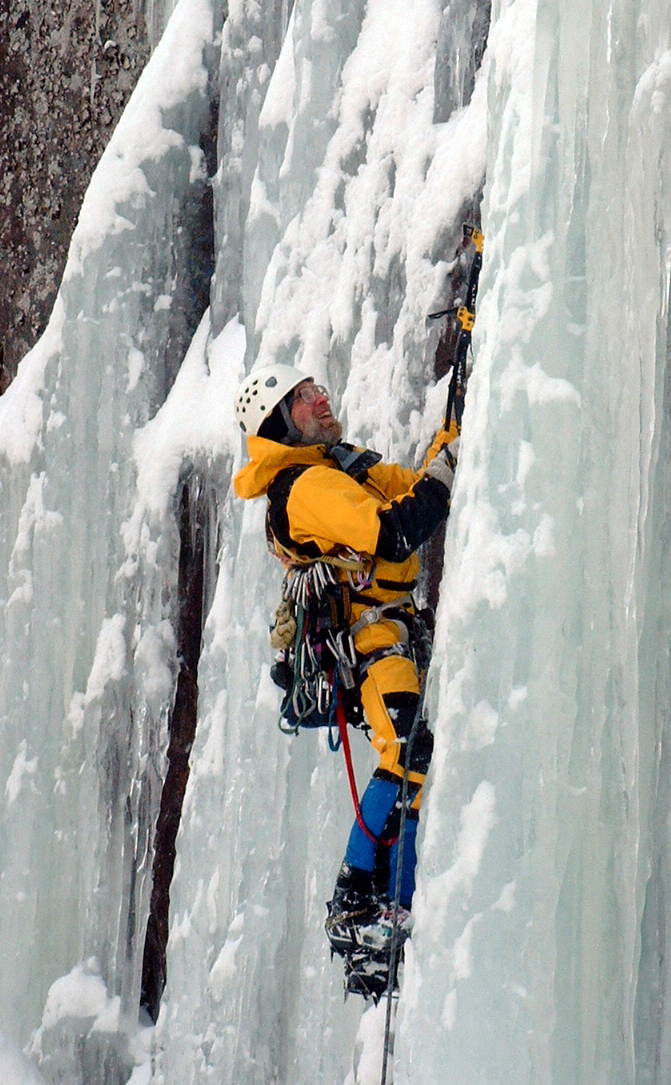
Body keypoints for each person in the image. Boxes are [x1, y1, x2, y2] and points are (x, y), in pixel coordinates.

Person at [233, 364, 458, 995]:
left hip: (391, 633)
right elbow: (393, 532)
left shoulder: (340, 467)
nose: (320, 397)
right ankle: (357, 895)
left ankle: (391, 896)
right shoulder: (305, 487)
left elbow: (411, 489)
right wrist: (446, 470)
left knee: (411, 760)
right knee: (410, 750)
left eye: (315, 388)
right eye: (303, 398)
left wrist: (450, 447)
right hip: (368, 641)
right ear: (281, 422)